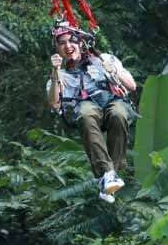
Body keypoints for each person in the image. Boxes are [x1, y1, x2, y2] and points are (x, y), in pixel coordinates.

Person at [46, 21, 137, 203]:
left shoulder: (104, 59)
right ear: (58, 48)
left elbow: (131, 86)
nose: (68, 46)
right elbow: (55, 104)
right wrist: (55, 72)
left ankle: (109, 178)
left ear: (81, 42)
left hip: (113, 103)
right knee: (86, 112)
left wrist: (113, 71)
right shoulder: (61, 75)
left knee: (119, 114)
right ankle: (107, 174)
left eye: (71, 41)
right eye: (62, 43)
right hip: (87, 109)